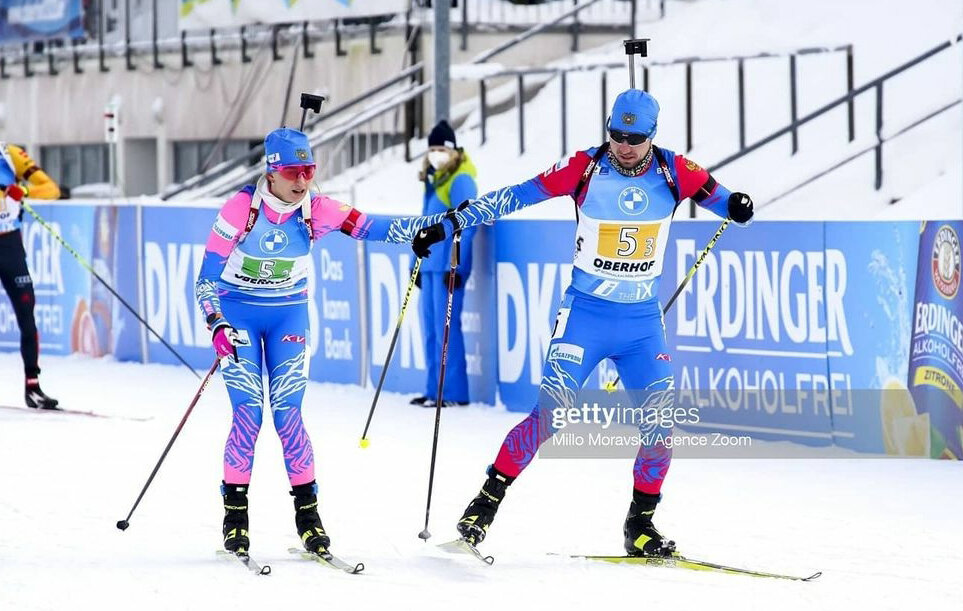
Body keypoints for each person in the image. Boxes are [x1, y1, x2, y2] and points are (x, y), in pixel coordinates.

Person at [410, 89, 754, 557]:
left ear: (653, 135)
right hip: (585, 316)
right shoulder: (585, 167)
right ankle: (482, 509)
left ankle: (642, 526)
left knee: (661, 424)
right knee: (548, 417)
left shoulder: (675, 170)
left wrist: (737, 205)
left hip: (642, 324)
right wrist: (449, 224)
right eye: (617, 134)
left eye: (635, 138)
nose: (624, 146)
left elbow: (718, 197)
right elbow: (514, 196)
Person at [194, 127, 431, 555]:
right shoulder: (239, 210)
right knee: (248, 414)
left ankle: (308, 516)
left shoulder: (316, 210)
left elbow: (370, 226)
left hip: (288, 314)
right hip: (238, 314)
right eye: (293, 171)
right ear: (271, 172)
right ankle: (235, 517)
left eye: (309, 170)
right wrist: (216, 324)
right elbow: (206, 280)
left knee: (288, 415)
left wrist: (422, 230)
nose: (302, 181)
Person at [409, 120, 478, 408]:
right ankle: (433, 389)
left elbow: (468, 224)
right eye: (432, 149)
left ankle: (452, 392)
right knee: (430, 330)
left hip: (448, 268)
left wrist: (457, 267)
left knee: (446, 330)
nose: (436, 154)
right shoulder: (433, 179)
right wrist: (417, 267)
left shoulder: (460, 179)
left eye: (441, 149)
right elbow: (425, 225)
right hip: (429, 266)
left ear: (453, 150)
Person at [0, 141, 62, 409]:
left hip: (9, 243)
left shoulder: (9, 153)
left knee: (27, 312)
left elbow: (51, 189)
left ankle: (32, 386)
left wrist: (22, 190)